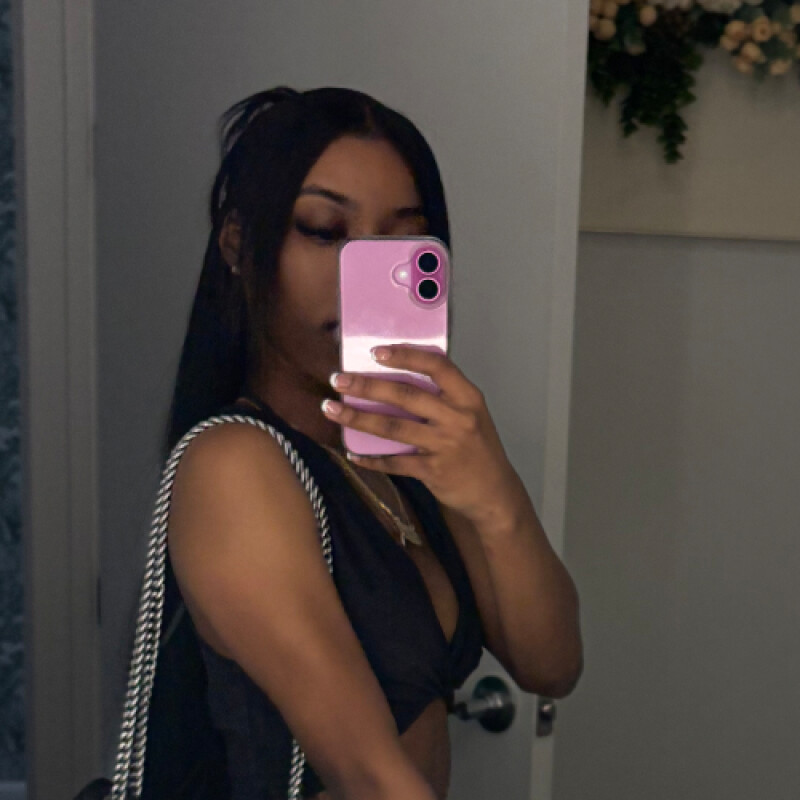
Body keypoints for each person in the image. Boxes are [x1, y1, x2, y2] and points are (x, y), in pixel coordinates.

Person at [155, 86, 583, 800]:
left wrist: (494, 492)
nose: (361, 274)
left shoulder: (402, 457)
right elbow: (368, 774)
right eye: (325, 232)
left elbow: (552, 665)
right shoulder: (235, 463)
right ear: (237, 244)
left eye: (399, 241)